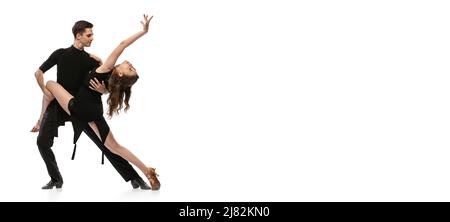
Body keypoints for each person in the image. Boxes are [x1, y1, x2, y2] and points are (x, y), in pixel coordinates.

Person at [36, 14, 160, 190]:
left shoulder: (91, 60)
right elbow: (38, 72)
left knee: (106, 147)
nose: (92, 38)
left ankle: (134, 177)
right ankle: (56, 179)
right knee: (42, 142)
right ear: (77, 35)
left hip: (77, 104)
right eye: (89, 35)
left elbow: (105, 78)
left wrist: (104, 89)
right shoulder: (61, 54)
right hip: (66, 103)